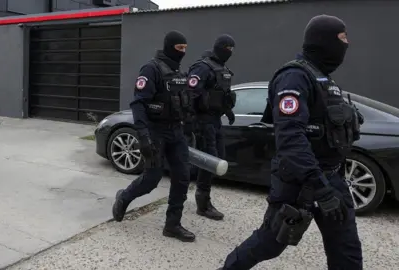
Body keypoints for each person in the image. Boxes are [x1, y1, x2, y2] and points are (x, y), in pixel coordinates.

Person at [218, 15, 364, 270]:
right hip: (300, 183)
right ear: (323, 41)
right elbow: (291, 139)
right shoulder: (294, 77)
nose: (347, 44)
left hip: (332, 178)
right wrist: (320, 188)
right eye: (342, 39)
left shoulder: (324, 80)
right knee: (271, 242)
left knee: (347, 251)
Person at [112, 30, 196, 242]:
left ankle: (172, 225)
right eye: (179, 48)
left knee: (183, 177)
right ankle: (124, 197)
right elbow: (138, 104)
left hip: (176, 131)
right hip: (155, 131)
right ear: (169, 47)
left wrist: (189, 126)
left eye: (185, 49)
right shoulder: (151, 69)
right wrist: (143, 136)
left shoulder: (179, 72)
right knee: (152, 178)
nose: (183, 52)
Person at [186, 34, 236, 221]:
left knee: (218, 159)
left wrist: (228, 111)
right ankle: (203, 202)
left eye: (232, 50)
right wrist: (190, 120)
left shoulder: (222, 69)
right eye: (227, 49)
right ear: (218, 47)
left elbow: (222, 95)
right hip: (203, 121)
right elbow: (190, 94)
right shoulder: (202, 67)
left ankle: (204, 199)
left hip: (215, 120)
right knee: (209, 161)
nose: (229, 53)